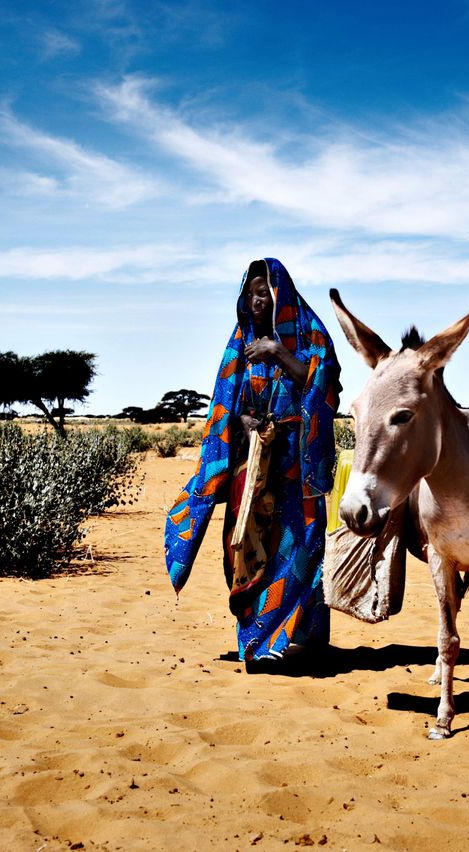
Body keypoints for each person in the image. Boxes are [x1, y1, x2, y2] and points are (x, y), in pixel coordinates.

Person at [164, 258, 341, 665]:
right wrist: (244, 423)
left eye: (265, 294)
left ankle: (302, 639)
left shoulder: (310, 335)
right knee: (247, 546)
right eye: (251, 294)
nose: (257, 301)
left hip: (298, 466)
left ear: (282, 298)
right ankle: (258, 640)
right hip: (254, 466)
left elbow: (326, 388)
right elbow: (225, 402)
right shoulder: (239, 344)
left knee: (301, 548)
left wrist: (277, 351)